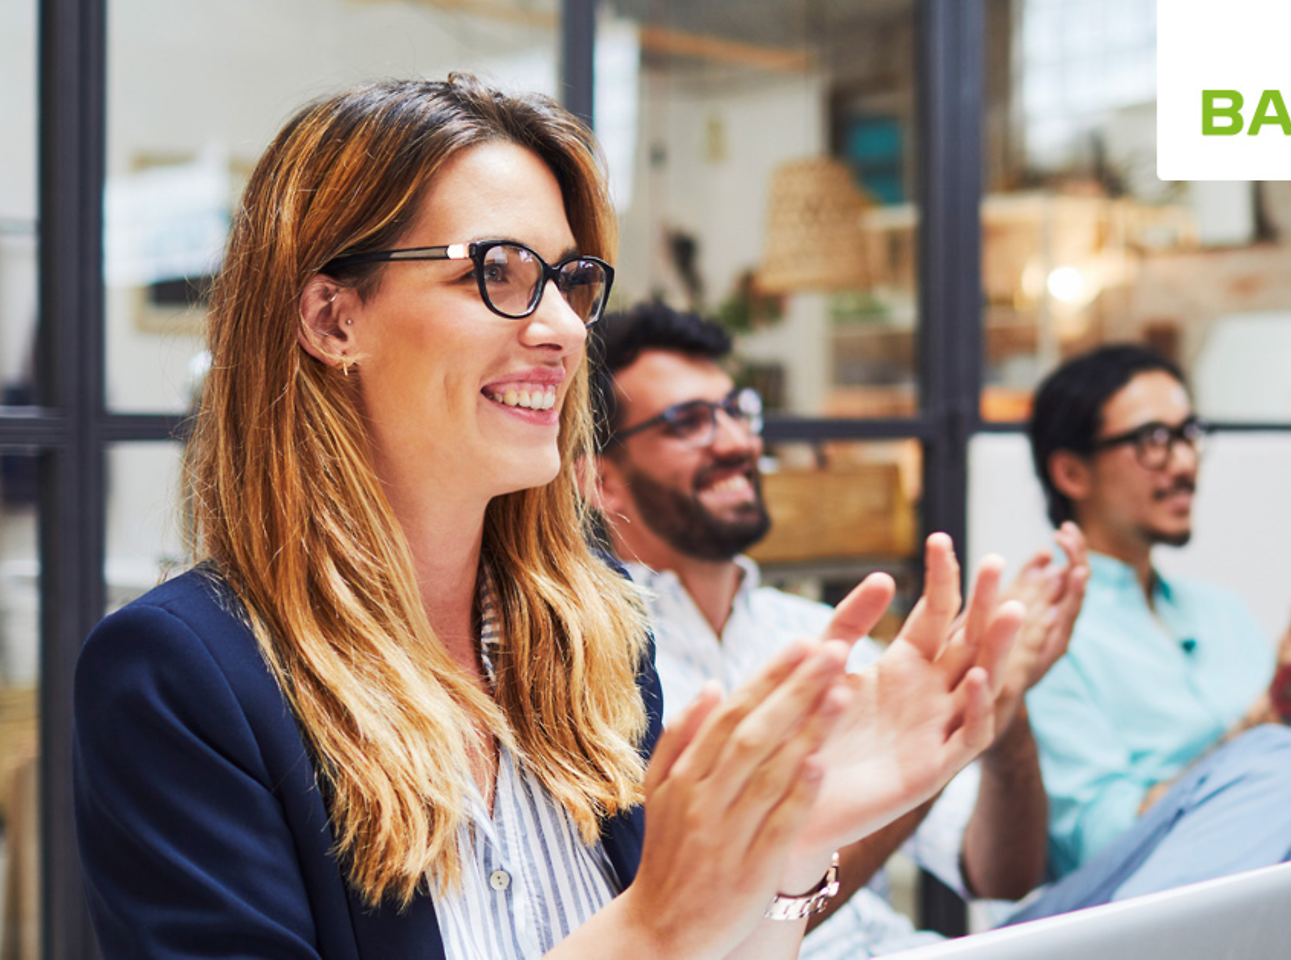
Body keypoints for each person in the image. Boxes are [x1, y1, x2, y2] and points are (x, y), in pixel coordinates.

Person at [72, 75, 1027, 960]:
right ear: (332, 320)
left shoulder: (595, 630)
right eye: (498, 271)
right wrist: (652, 924)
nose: (566, 328)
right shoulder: (180, 677)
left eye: (570, 281)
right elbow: (658, 936)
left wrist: (798, 844)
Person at [593, 305, 1291, 957]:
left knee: (1286, 767)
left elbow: (998, 873)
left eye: (736, 411)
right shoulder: (596, 673)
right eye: (686, 422)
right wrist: (916, 756)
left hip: (929, 949)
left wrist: (1001, 710)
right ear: (603, 482)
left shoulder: (820, 632)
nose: (734, 442)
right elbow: (700, 930)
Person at [1024, 344, 1291, 892]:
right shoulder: (1041, 634)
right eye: (1153, 440)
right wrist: (1273, 715)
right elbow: (1105, 849)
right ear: (1072, 472)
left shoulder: (1220, 612)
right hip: (1161, 909)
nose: (1185, 463)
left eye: (1188, 434)